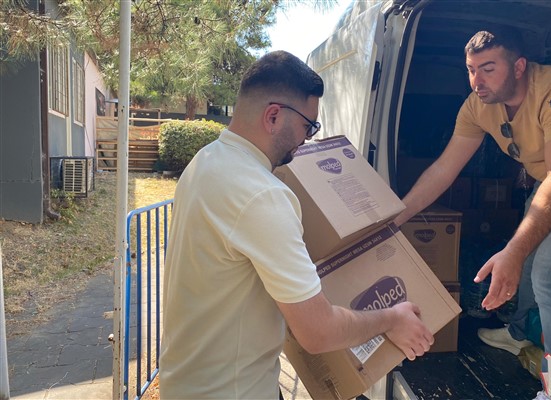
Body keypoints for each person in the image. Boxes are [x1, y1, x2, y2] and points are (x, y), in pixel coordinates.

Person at [159, 50, 434, 400]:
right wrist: (392, 318)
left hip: (188, 383)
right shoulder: (263, 195)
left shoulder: (206, 161)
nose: (308, 138)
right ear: (274, 116)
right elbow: (318, 332)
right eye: (309, 125)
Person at [393, 28, 551, 396]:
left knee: (549, 278)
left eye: (488, 69)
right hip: (549, 179)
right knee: (529, 263)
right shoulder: (478, 106)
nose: (477, 81)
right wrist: (396, 217)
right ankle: (518, 333)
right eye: (471, 70)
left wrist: (513, 251)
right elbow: (444, 169)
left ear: (519, 66)